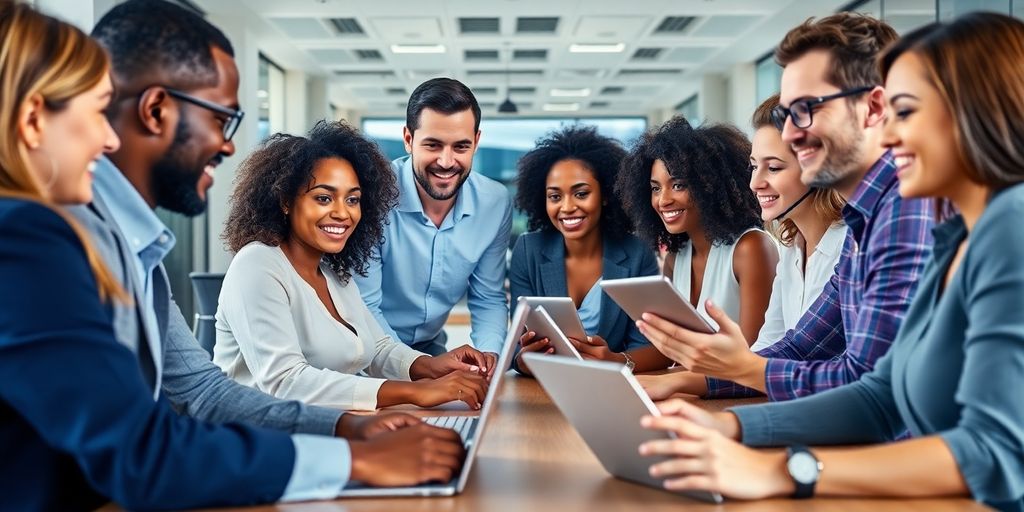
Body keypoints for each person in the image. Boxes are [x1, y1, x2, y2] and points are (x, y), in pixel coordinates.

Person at [0, 3, 463, 510]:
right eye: (95, 111)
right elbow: (141, 452)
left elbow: (203, 394)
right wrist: (353, 460)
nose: (108, 137)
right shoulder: (30, 238)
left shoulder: (136, 251)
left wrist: (347, 426)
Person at [637, 13, 1024, 510]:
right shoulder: (950, 235)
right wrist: (729, 424)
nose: (890, 134)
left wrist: (781, 469)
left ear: (977, 114)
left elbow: (995, 453)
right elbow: (879, 396)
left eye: (904, 112)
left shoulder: (1005, 224)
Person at [636, 13, 935, 402]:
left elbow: (866, 384)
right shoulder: (868, 220)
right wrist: (691, 379)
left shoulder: (906, 211)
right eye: (788, 113)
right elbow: (796, 348)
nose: (791, 133)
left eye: (806, 108)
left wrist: (737, 423)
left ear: (875, 108)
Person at [216, 121, 492, 411]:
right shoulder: (258, 264)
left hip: (322, 429)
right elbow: (285, 381)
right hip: (254, 441)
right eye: (324, 198)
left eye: (353, 199)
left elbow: (378, 349)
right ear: (286, 200)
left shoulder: (334, 273)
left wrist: (432, 367)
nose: (342, 213)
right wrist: (416, 392)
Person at [355, 78, 511, 360]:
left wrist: (489, 358)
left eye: (461, 147)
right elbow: (364, 306)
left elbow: (488, 297)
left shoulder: (495, 202)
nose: (446, 161)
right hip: (363, 345)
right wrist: (418, 369)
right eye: (433, 145)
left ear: (476, 142)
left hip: (429, 345)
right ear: (408, 140)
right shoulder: (371, 196)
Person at [508, 125, 671, 375]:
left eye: (581, 193)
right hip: (543, 388)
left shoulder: (637, 253)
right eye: (555, 196)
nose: (567, 207)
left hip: (610, 388)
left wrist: (615, 360)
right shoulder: (528, 250)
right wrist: (524, 361)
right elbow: (517, 347)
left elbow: (654, 348)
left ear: (605, 195)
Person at [616, 116, 777, 343]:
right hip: (685, 377)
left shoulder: (750, 249)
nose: (663, 200)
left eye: (678, 185)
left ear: (709, 185)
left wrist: (664, 379)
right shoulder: (676, 255)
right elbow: (670, 349)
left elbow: (752, 357)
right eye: (655, 188)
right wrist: (614, 359)